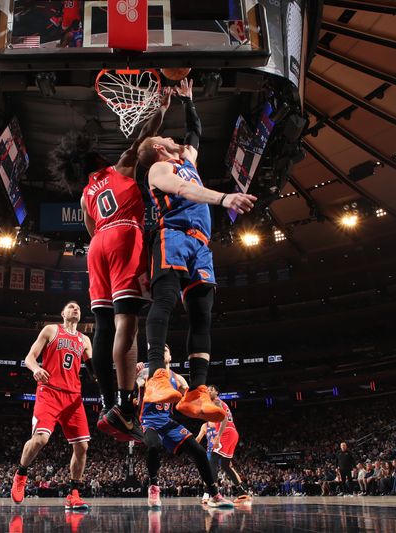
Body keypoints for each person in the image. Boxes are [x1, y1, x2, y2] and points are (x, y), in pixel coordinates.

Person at [136, 78, 256, 422]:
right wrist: (223, 198)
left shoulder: (186, 157)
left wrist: (188, 100)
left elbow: (195, 133)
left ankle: (197, 392)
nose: (171, 139)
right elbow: (185, 191)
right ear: (158, 149)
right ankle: (158, 375)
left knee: (202, 313)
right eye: (164, 139)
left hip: (201, 244)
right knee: (166, 301)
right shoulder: (159, 168)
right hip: (171, 237)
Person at [78, 88, 172, 442]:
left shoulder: (86, 192)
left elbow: (90, 230)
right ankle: (125, 402)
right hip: (123, 235)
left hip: (97, 244)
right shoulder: (119, 167)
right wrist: (160, 109)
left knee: (102, 324)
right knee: (126, 323)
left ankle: (106, 405)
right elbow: (142, 138)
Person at [11, 301, 93, 511]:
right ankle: (21, 473)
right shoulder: (51, 330)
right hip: (49, 391)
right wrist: (35, 369)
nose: (76, 309)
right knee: (41, 439)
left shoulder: (84, 340)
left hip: (73, 396)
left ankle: (73, 493)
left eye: (78, 308)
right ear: (62, 312)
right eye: (71, 306)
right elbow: (30, 357)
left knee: (82, 446)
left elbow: (93, 371)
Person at [135, 348, 233, 509]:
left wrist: (209, 405)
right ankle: (153, 486)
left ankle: (215, 495)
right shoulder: (146, 372)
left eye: (165, 349)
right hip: (148, 421)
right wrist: (134, 375)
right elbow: (132, 387)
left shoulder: (178, 379)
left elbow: (192, 399)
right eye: (159, 350)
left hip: (166, 421)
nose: (162, 352)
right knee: (154, 446)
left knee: (200, 452)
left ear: (170, 356)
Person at [202, 385, 251, 504]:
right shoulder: (217, 403)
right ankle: (242, 492)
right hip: (233, 433)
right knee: (225, 465)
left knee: (212, 461)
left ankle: (214, 495)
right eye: (207, 389)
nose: (209, 391)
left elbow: (224, 419)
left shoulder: (217, 402)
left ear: (217, 392)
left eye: (211, 390)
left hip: (226, 433)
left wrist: (218, 436)